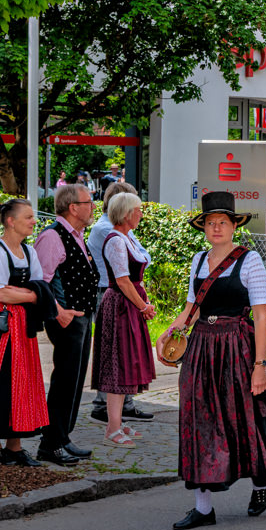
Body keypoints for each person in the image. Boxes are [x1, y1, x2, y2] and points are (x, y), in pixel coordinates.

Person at [161, 191, 266, 529]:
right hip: (201, 348)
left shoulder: (250, 261)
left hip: (237, 348)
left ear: (234, 226)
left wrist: (260, 366)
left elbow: (261, 317)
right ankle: (203, 508)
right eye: (210, 222)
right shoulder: (198, 261)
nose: (216, 227)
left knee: (245, 418)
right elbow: (192, 309)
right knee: (197, 419)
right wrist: (169, 332)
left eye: (222, 222)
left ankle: (259, 483)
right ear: (204, 227)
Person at [0, 197, 64, 465]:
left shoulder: (29, 252)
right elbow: (0, 293)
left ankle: (15, 446)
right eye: (28, 217)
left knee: (22, 381)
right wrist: (33, 296)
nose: (34, 221)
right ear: (11, 221)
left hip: (23, 325)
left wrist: (30, 294)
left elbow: (38, 285)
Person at [32, 183, 99, 466]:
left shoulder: (77, 235)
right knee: (64, 380)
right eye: (88, 202)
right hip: (67, 319)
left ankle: (62, 436)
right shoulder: (52, 236)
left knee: (74, 379)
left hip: (81, 318)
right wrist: (59, 312)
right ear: (73, 207)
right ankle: (50, 444)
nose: (93, 207)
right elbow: (40, 281)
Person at [94, 190, 159, 447]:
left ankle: (117, 421)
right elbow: (122, 280)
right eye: (138, 210)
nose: (141, 214)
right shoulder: (116, 241)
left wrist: (143, 303)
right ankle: (112, 428)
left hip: (129, 304)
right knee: (118, 364)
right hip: (121, 306)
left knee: (126, 363)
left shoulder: (126, 238)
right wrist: (143, 306)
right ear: (126, 213)